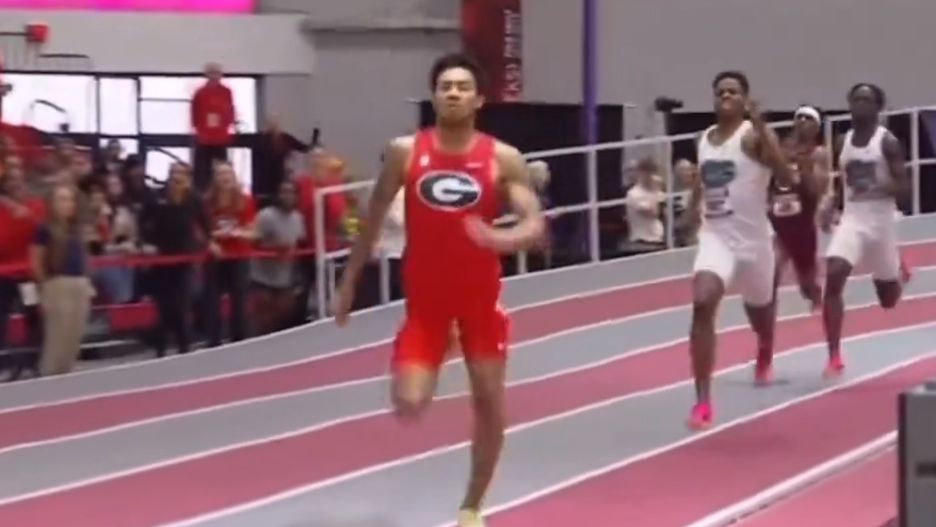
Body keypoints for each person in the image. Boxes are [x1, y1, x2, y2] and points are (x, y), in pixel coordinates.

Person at [332, 53, 544, 527]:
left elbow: (533, 222)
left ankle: (472, 506)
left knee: (488, 401)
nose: (453, 93)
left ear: (479, 99)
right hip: (426, 306)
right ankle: (441, 339)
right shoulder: (405, 152)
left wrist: (504, 238)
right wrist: (348, 282)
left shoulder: (503, 158)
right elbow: (372, 218)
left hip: (479, 305)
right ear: (433, 96)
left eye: (462, 87)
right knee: (409, 404)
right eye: (445, 86)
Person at [687, 71, 791, 430]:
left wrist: (763, 129)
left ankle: (765, 347)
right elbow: (702, 179)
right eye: (721, 92)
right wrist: (690, 210)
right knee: (703, 302)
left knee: (760, 314)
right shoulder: (705, 139)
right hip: (716, 236)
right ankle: (702, 400)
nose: (726, 96)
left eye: (733, 91)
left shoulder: (753, 136)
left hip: (753, 241)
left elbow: (787, 177)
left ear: (745, 99)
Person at [822, 83, 908, 378]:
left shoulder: (888, 143)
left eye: (866, 100)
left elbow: (905, 189)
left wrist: (886, 185)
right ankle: (834, 354)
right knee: (833, 274)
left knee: (888, 300)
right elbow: (841, 181)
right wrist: (831, 204)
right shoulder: (842, 141)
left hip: (881, 223)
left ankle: (898, 274)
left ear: (878, 107)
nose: (860, 104)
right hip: (853, 221)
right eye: (856, 99)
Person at [758, 105, 832, 384]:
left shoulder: (819, 153)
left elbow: (819, 188)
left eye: (808, 118)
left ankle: (816, 295)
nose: (802, 121)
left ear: (817, 126)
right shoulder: (783, 148)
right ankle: (765, 352)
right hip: (780, 225)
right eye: (798, 117)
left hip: (803, 226)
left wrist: (806, 171)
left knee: (806, 283)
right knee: (770, 277)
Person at [30, 184, 94, 376]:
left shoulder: (76, 230)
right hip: (57, 283)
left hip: (79, 282)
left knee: (75, 332)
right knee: (58, 333)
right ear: (52, 204)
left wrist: (88, 281)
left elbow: (84, 257)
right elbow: (36, 259)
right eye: (62, 199)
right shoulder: (44, 229)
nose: (67, 204)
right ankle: (50, 372)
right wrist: (44, 285)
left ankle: (67, 370)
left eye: (70, 200)